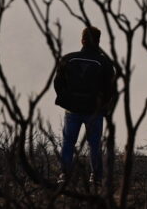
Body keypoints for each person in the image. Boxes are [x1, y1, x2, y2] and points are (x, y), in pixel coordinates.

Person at [54, 26, 118, 187]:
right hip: (94, 111)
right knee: (95, 144)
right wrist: (104, 106)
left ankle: (64, 174)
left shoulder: (68, 59)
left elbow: (58, 83)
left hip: (72, 110)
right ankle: (95, 177)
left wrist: (66, 100)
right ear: (98, 41)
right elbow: (111, 89)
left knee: (68, 142)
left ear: (82, 40)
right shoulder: (105, 62)